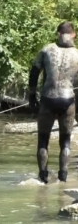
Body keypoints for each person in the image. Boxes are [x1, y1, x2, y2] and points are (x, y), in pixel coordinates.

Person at [28, 21, 78, 184]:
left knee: (43, 139)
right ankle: (63, 177)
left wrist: (31, 96)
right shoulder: (77, 54)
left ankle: (43, 176)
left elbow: (34, 72)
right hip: (67, 100)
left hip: (48, 98)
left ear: (58, 34)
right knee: (65, 140)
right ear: (73, 35)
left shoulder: (47, 49)